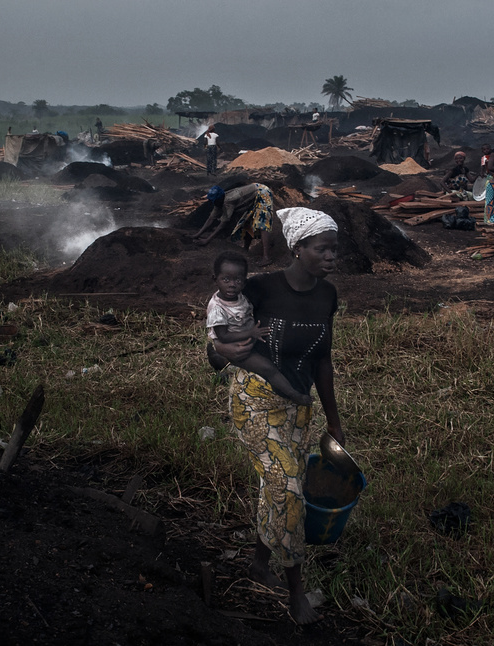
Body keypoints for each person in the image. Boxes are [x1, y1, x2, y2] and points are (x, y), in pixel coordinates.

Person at [213, 207, 344, 625]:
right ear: (298, 248)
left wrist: (334, 420)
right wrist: (218, 351)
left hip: (298, 406)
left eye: (333, 250)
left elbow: (323, 359)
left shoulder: (328, 295)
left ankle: (258, 562)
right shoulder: (259, 289)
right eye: (322, 249)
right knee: (288, 487)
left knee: (279, 486)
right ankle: (296, 591)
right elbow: (218, 336)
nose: (331, 257)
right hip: (254, 398)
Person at [206, 251, 313, 407]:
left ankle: (221, 362)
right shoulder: (218, 308)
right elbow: (223, 336)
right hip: (239, 347)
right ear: (215, 279)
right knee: (268, 368)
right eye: (226, 279)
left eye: (237, 280)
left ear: (244, 281)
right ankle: (294, 395)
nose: (232, 284)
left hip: (250, 337)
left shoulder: (240, 295)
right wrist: (251, 333)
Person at [192, 184, 276, 266]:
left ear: (219, 199)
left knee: (262, 222)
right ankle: (246, 249)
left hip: (262, 192)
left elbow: (223, 224)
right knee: (247, 221)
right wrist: (197, 235)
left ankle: (266, 258)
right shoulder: (219, 201)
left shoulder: (228, 201)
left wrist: (207, 240)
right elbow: (211, 219)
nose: (212, 202)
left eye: (214, 200)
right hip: (253, 196)